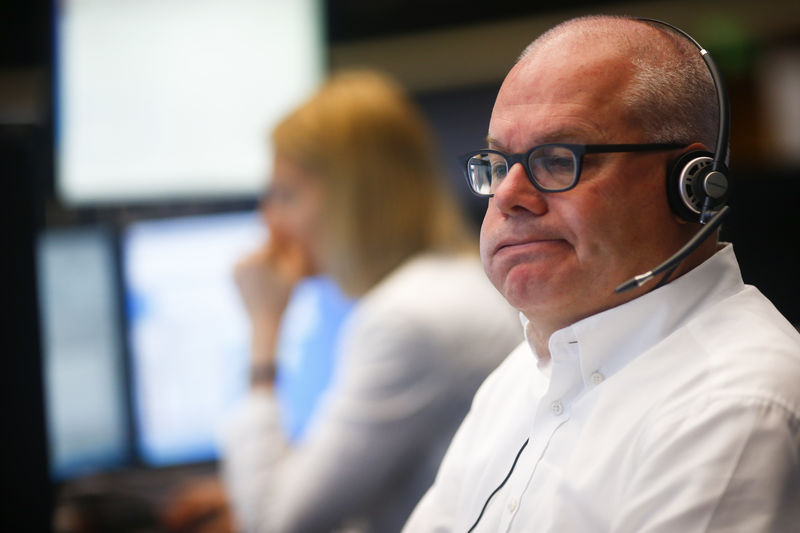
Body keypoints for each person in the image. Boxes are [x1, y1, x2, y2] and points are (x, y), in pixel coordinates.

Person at [403, 15, 800, 533]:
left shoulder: (733, 406)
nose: (506, 196)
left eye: (557, 159)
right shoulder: (521, 374)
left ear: (691, 185)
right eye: (499, 163)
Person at [218, 69, 522, 533]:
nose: (270, 220)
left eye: (287, 194)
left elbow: (275, 522)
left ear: (349, 196)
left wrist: (264, 329)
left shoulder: (406, 319)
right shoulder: (450, 279)